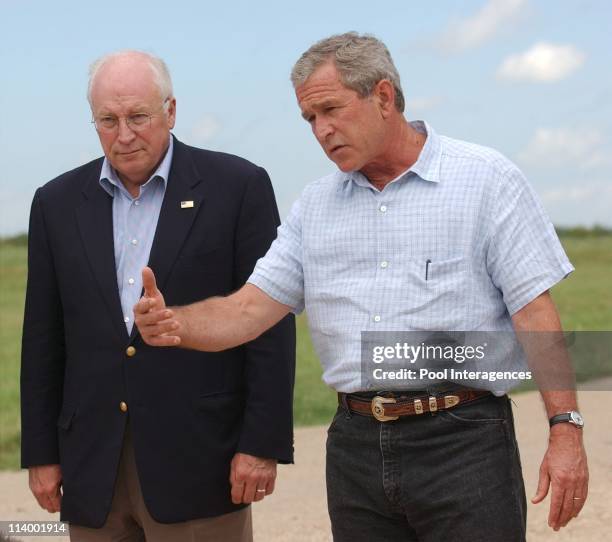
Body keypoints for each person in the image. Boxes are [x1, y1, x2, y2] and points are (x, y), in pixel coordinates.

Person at [134, 33, 589, 541]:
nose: (322, 130)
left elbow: (533, 311)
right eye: (310, 119)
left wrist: (565, 429)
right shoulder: (315, 206)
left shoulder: (485, 179)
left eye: (331, 109)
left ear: (384, 97)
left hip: (465, 442)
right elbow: (247, 310)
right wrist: (178, 324)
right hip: (354, 448)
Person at [20, 50, 295, 542]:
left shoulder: (238, 187)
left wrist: (261, 444)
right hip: (91, 466)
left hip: (200, 460)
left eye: (138, 117)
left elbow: (269, 325)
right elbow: (43, 337)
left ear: (170, 110)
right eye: (108, 120)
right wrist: (41, 453)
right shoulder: (55, 202)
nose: (123, 134)